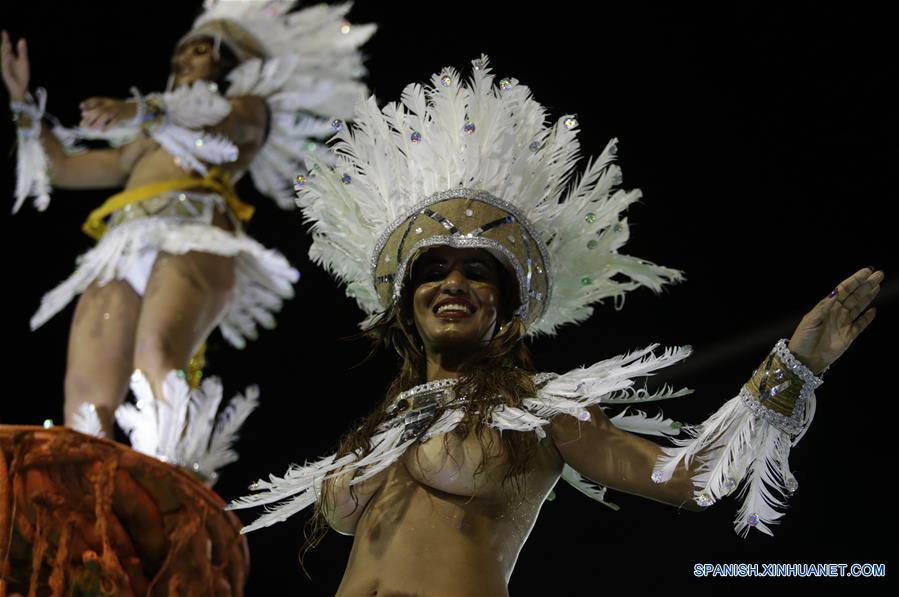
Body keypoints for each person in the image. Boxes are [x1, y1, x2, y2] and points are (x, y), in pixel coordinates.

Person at [228, 56, 882, 595]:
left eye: (477, 271)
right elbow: (339, 517)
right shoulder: (386, 419)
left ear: (506, 305)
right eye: (434, 268)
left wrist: (796, 367)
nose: (452, 282)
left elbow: (689, 478)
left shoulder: (537, 409)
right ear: (406, 300)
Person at [1, 1, 374, 474]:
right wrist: (20, 104)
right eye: (180, 51)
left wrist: (143, 110)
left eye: (200, 49)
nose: (183, 59)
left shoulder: (248, 110)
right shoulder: (146, 141)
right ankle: (78, 502)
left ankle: (164, 485)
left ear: (231, 62)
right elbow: (65, 168)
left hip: (195, 238)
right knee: (84, 393)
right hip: (123, 245)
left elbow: (215, 127)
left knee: (155, 352)